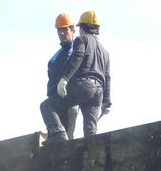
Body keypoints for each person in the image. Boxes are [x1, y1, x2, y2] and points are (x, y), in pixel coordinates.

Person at [43, 10, 111, 144]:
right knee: (90, 132)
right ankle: (92, 153)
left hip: (83, 86)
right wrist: (107, 101)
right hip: (98, 91)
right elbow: (107, 76)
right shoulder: (105, 51)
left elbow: (77, 58)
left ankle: (59, 134)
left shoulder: (82, 39)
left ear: (81, 28)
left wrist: (65, 79)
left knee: (46, 106)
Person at [40, 13, 79, 141]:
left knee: (66, 139)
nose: (62, 33)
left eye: (65, 29)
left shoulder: (77, 53)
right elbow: (51, 82)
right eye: (59, 30)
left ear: (73, 31)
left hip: (69, 101)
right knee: (56, 139)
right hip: (56, 102)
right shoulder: (54, 59)